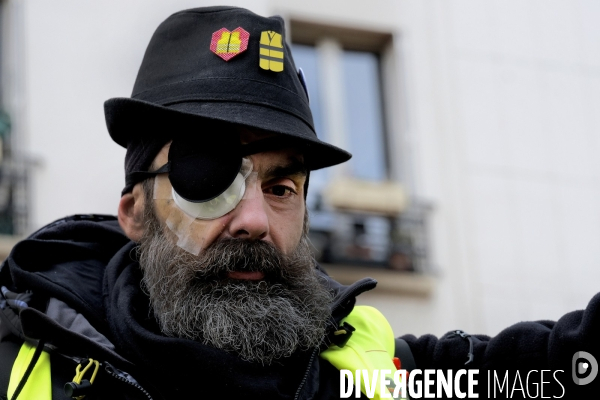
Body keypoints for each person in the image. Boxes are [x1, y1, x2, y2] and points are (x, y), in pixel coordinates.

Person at [0, 6, 598, 399]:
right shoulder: (20, 362)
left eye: (282, 187)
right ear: (135, 213)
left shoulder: (376, 374)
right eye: (209, 180)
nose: (255, 220)